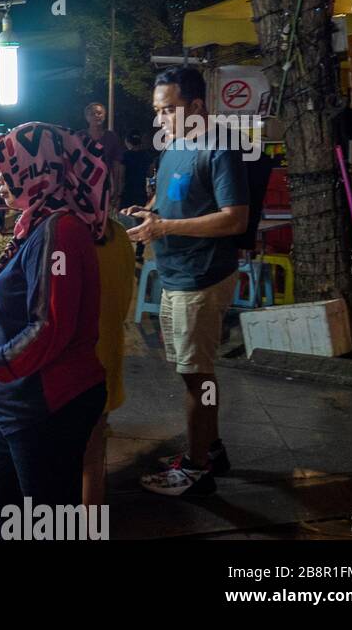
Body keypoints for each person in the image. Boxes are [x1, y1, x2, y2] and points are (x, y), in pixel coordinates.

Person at [0, 122, 110, 528]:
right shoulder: (34, 224)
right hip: (17, 396)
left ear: (39, 171)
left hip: (50, 400)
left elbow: (49, 327)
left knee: (49, 518)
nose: (0, 181)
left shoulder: (61, 232)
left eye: (9, 170)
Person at [123, 66, 249, 497]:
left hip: (203, 275)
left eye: (169, 110)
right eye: (157, 112)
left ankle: (197, 469)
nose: (161, 120)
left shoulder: (222, 148)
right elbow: (169, 194)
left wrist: (167, 229)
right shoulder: (175, 144)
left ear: (196, 106)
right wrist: (150, 212)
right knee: (191, 372)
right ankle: (211, 448)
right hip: (175, 273)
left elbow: (235, 218)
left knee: (197, 375)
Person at [83, 216, 135, 506]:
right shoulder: (117, 233)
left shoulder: (60, 233)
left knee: (58, 468)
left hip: (66, 375)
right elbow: (124, 300)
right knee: (92, 460)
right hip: (104, 364)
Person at [77, 103, 124, 209]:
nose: (96, 116)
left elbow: (117, 164)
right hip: (84, 186)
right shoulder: (80, 136)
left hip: (105, 186)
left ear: (104, 115)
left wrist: (116, 188)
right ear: (87, 117)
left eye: (99, 113)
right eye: (92, 114)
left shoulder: (111, 137)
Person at [120, 130, 156, 209]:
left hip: (127, 192)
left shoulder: (125, 156)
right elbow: (150, 174)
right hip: (141, 192)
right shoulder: (147, 156)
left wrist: (118, 193)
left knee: (125, 218)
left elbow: (121, 176)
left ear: (127, 142)